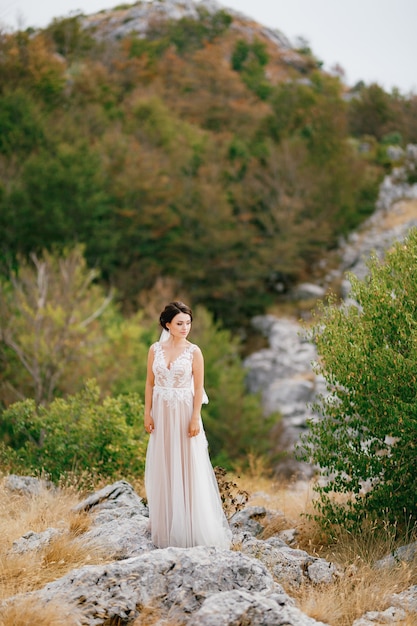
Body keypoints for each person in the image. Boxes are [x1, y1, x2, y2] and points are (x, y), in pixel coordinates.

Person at [144, 301, 232, 549]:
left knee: (186, 464)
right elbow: (150, 383)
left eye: (188, 323)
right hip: (161, 413)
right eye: (180, 323)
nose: (185, 328)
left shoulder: (194, 352)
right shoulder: (155, 350)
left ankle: (190, 528)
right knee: (165, 463)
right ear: (167, 324)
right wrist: (147, 413)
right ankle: (165, 523)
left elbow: (198, 388)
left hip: (184, 413)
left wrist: (195, 417)